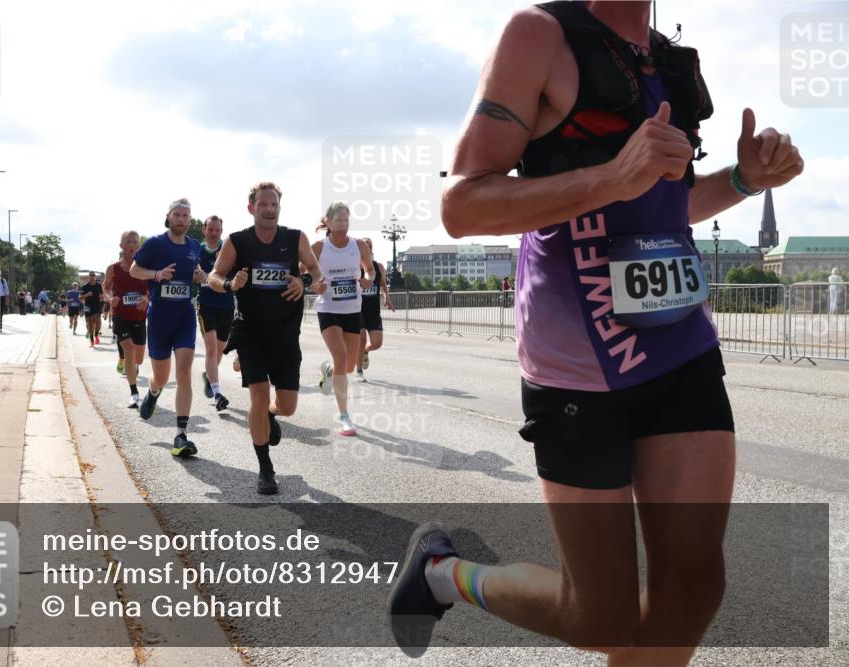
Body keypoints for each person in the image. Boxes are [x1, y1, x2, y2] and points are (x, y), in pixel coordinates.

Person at [387, 1, 804, 663]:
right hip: (577, 359)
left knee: (694, 584)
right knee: (600, 616)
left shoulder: (664, 59)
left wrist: (744, 180)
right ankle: (443, 572)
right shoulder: (539, 37)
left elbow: (668, 203)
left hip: (680, 343)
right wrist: (612, 177)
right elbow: (462, 203)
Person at [209, 182, 325, 495]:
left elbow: (315, 270)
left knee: (286, 407)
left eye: (274, 205)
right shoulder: (237, 241)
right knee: (258, 397)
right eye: (263, 205)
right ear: (252, 208)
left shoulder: (295, 238)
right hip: (251, 331)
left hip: (286, 333)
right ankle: (265, 468)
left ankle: (271, 417)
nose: (269, 209)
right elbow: (213, 277)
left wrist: (304, 282)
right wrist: (232, 282)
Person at [130, 198, 206, 458]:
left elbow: (197, 271)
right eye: (177, 214)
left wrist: (200, 276)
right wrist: (156, 275)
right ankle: (153, 391)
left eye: (186, 215)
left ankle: (181, 434)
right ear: (169, 217)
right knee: (161, 377)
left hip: (184, 316)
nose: (182, 219)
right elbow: (134, 269)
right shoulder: (155, 243)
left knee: (184, 371)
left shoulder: (195, 246)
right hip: (160, 319)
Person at [310, 202, 375, 436]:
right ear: (327, 222)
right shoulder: (319, 246)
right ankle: (344, 416)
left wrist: (369, 278)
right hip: (328, 308)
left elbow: (370, 269)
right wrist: (315, 284)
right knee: (341, 356)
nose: (343, 225)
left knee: (346, 366)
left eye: (346, 220)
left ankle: (329, 372)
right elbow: (305, 271)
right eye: (338, 220)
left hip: (352, 309)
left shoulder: (358, 246)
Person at [105, 231, 150, 409]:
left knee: (138, 357)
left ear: (138, 246)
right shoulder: (113, 268)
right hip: (120, 316)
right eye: (128, 241)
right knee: (129, 351)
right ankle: (134, 393)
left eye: (135, 242)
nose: (132, 244)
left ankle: (132, 366)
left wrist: (147, 299)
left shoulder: (144, 267)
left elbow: (151, 289)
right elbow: (106, 288)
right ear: (121, 245)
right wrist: (110, 299)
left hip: (139, 316)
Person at [197, 215, 235, 412]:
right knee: (211, 349)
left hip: (227, 305)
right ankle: (217, 392)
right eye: (210, 229)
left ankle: (209, 377)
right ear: (204, 230)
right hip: (206, 304)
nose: (213, 233)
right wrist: (196, 277)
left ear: (221, 231)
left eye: (217, 230)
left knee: (219, 350)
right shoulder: (196, 251)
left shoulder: (229, 250)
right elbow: (188, 274)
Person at [355, 237, 395, 382]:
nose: (367, 247)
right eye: (365, 245)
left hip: (373, 311)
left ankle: (366, 350)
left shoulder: (379, 267)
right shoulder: (354, 267)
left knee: (377, 343)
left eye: (369, 246)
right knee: (361, 339)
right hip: (357, 310)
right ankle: (359, 371)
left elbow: (383, 285)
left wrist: (387, 298)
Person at [81, 272, 103, 347]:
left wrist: (102, 297)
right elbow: (80, 298)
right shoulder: (85, 286)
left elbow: (103, 295)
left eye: (93, 275)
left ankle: (96, 335)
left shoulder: (99, 286)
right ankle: (91, 339)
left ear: (95, 277)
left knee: (98, 322)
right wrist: (86, 295)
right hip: (88, 306)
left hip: (97, 305)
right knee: (90, 323)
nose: (92, 277)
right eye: (91, 275)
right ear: (89, 277)